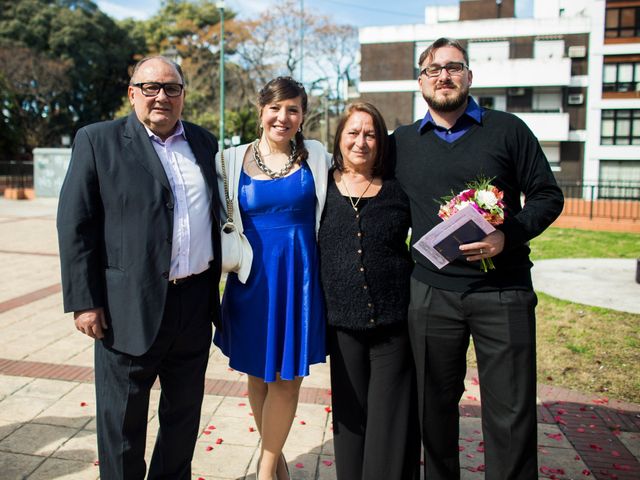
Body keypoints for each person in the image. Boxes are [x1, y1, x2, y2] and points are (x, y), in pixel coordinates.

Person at [392, 38, 564, 479]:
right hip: (431, 295)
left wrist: (508, 235)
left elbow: (547, 195)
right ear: (420, 81)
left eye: (453, 67)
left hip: (503, 293)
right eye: (433, 69)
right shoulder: (402, 143)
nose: (443, 76)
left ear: (469, 76)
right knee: (433, 410)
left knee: (511, 414)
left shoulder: (508, 130)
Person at [57, 56, 221, 480]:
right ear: (132, 94)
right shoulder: (98, 140)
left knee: (183, 419)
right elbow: (76, 223)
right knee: (122, 424)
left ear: (184, 96)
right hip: (126, 308)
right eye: (150, 87)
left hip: (194, 305)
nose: (161, 96)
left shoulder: (205, 143)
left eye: (171, 88)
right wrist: (85, 301)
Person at [213, 76, 329, 480]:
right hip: (252, 281)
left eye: (293, 109)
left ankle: (265, 470)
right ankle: (276, 462)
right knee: (259, 374)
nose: (284, 117)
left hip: (299, 280)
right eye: (276, 108)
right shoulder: (228, 160)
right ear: (261, 111)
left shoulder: (317, 156)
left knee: (288, 379)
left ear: (303, 116)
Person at [317, 102, 420, 480]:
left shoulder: (397, 190)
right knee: (350, 422)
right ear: (340, 138)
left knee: (389, 423)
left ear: (380, 142)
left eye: (370, 134)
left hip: (394, 323)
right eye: (353, 133)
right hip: (343, 324)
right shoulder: (320, 187)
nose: (361, 141)